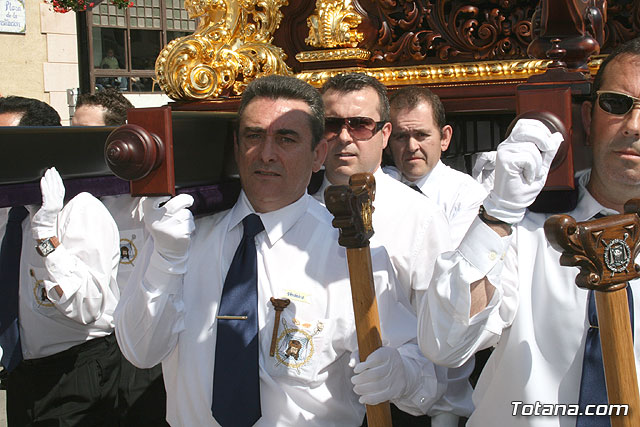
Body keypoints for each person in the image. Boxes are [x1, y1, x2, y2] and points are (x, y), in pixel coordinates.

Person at [115, 74, 435, 426]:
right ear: (237, 149)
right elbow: (139, 352)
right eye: (254, 136)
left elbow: (424, 375)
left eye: (286, 138)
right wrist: (166, 260)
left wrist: (401, 373)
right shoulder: (180, 237)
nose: (267, 154)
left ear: (318, 154)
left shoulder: (351, 254)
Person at [416, 38, 640, 427]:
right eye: (617, 104)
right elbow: (445, 344)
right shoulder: (520, 225)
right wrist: (499, 215)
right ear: (588, 118)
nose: (634, 126)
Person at [311, 73, 462, 426]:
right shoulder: (294, 209)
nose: (345, 137)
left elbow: (441, 333)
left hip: (395, 407)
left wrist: (439, 409)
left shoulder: (420, 217)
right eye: (332, 125)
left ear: (385, 134)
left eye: (361, 125)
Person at [0, 97, 122, 425]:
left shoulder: (80, 209)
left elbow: (88, 306)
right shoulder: (7, 212)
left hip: (75, 371)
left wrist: (47, 239)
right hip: (22, 373)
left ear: (39, 147)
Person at [71, 89, 169, 426]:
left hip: (142, 345)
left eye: (88, 134)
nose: (77, 143)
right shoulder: (69, 200)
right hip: (91, 350)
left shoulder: (148, 197)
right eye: (73, 130)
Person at [385, 86, 487, 246]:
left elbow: (451, 261)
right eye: (401, 137)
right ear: (387, 141)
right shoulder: (378, 189)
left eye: (421, 135)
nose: (412, 146)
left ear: (445, 138)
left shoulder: (467, 195)